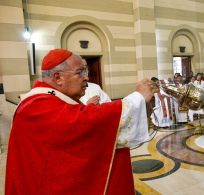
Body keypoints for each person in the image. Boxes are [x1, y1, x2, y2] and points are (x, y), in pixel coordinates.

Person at [5, 49, 154, 194]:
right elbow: (79, 122)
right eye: (79, 72)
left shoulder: (46, 98)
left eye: (85, 72)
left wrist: (87, 108)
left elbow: (69, 123)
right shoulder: (36, 105)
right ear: (58, 78)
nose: (86, 78)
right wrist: (137, 99)